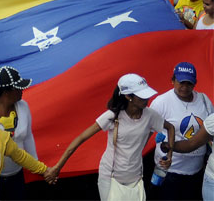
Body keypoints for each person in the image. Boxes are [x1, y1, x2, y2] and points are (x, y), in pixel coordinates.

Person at [50, 74, 175, 200]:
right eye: (142, 96)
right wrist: (58, 167)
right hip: (110, 178)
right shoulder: (112, 116)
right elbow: (81, 138)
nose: (147, 99)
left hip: (136, 178)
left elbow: (171, 128)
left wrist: (169, 155)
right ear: (128, 96)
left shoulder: (150, 115)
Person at [149, 62, 213, 201]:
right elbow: (146, 130)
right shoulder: (161, 102)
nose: (184, 87)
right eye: (180, 82)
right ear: (172, 81)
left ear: (195, 83)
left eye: (188, 83)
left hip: (196, 171)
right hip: (168, 171)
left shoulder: (204, 101)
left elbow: (209, 131)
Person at [0, 67, 37, 200]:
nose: (22, 90)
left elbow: (28, 136)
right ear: (6, 92)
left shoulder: (23, 107)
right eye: (18, 88)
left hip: (16, 176)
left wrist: (37, 166)